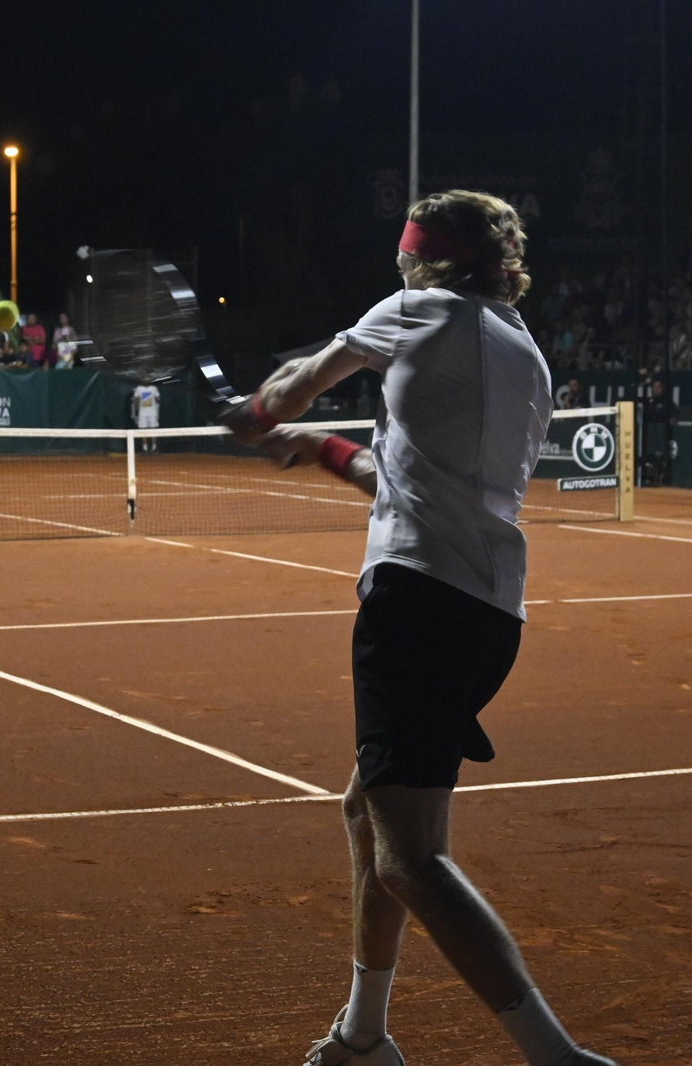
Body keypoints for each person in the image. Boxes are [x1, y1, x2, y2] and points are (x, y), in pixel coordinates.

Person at [225, 190, 619, 1066]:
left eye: (405, 254)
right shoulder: (527, 355)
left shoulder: (413, 311)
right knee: (365, 809)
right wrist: (319, 451)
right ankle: (364, 1035)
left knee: (411, 859)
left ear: (422, 258)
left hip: (415, 603)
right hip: (488, 614)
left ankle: (558, 1058)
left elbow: (293, 385)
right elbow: (412, 483)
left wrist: (257, 416)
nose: (398, 266)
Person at [131, 381, 161, 451]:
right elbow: (136, 400)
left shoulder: (154, 388)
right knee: (143, 430)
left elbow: (157, 399)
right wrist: (137, 410)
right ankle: (145, 448)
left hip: (152, 413)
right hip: (142, 414)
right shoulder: (139, 388)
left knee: (153, 430)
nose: (146, 380)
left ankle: (154, 448)